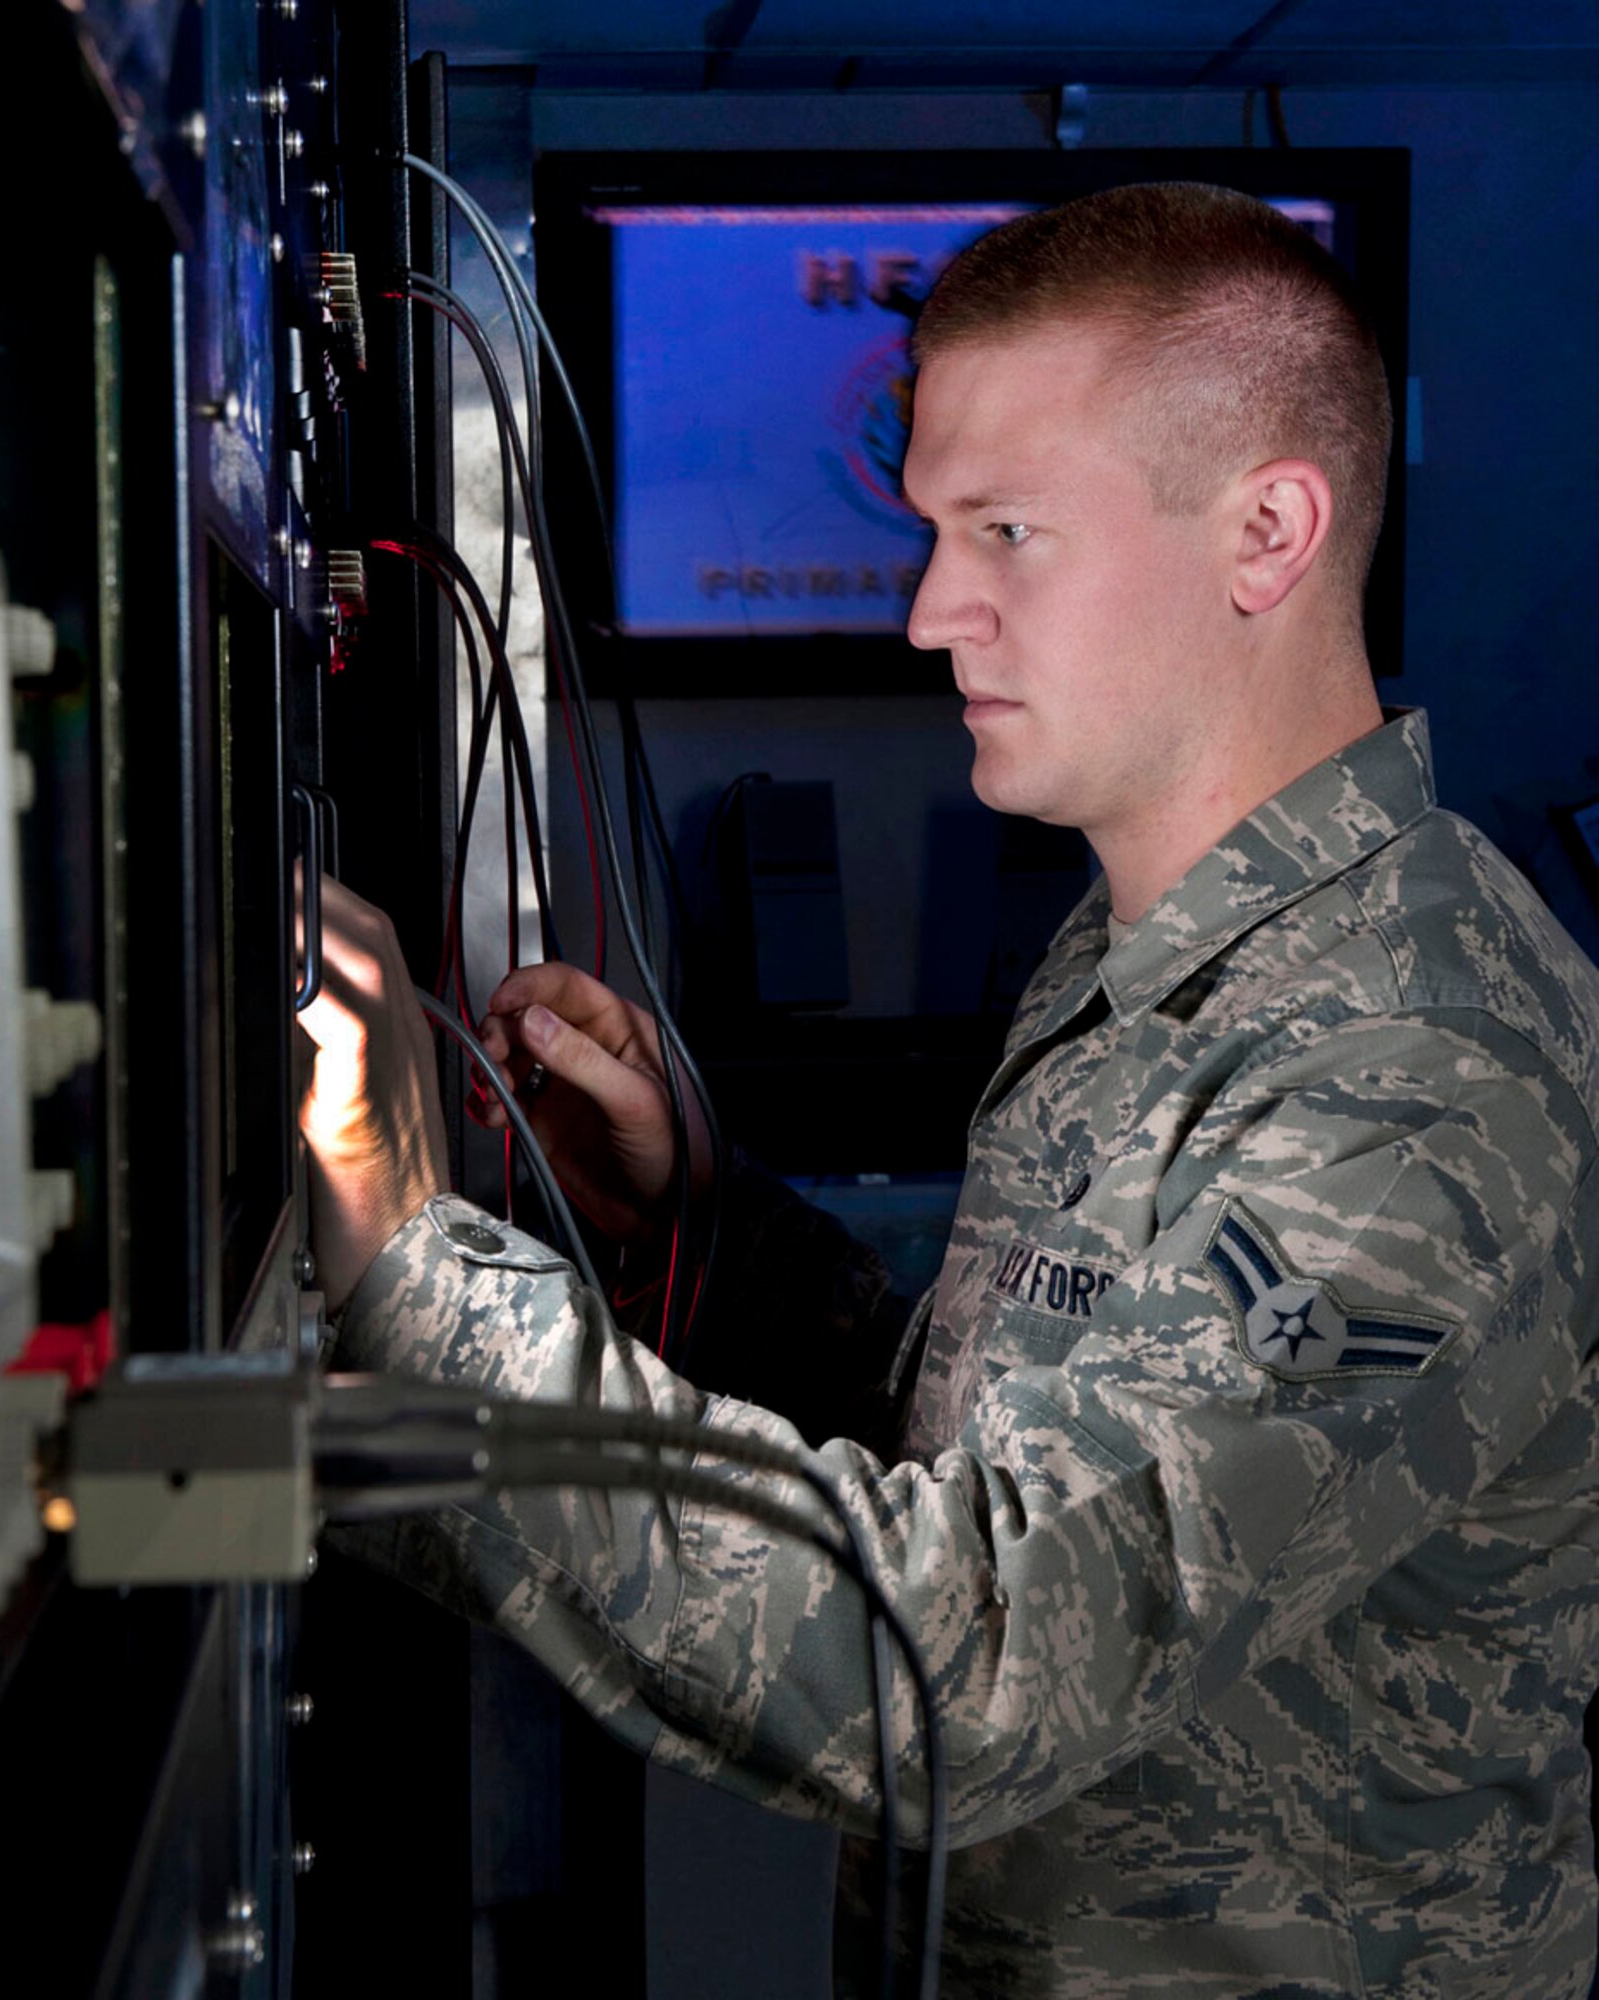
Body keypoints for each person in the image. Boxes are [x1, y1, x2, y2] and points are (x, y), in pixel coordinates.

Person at [299, 184, 1599, 1998]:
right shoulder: (1138, 950)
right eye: (930, 533)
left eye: (1005, 533)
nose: (928, 616)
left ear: (1270, 533)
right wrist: (707, 1226)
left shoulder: (1418, 1066)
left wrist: (414, 1271)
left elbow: (979, 1658)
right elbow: (1000, 1450)